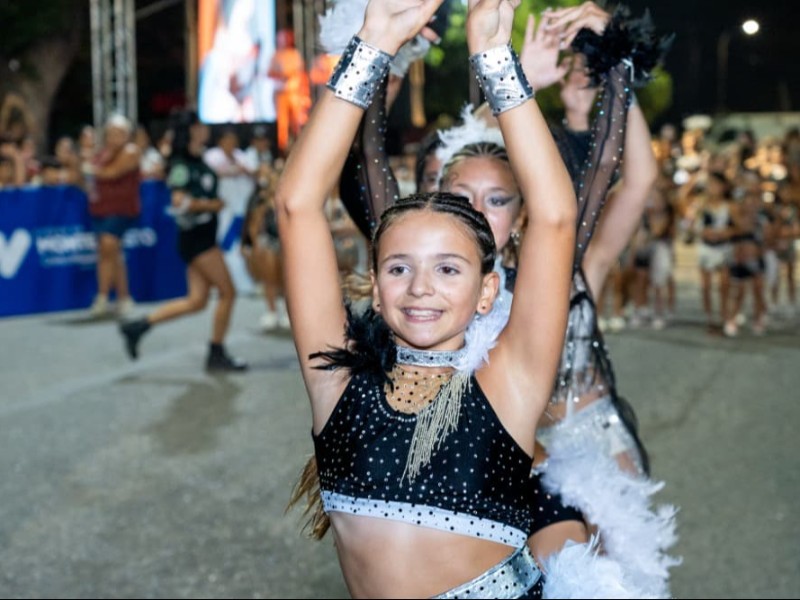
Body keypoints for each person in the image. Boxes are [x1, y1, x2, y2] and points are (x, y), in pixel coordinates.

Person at [280, 0, 579, 595]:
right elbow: (296, 204)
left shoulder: (510, 384)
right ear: (374, 283)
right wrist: (373, 41)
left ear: (487, 290)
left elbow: (554, 216)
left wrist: (493, 54)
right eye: (399, 268)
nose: (420, 288)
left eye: (447, 269)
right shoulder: (335, 382)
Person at [119, 111, 247, 373]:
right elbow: (178, 200)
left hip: (202, 236)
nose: (205, 129)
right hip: (197, 239)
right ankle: (216, 352)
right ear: (191, 130)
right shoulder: (180, 163)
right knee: (228, 292)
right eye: (199, 125)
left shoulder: (198, 158)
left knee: (197, 300)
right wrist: (211, 205)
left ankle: (139, 326)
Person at [86, 114, 141, 319]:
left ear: (126, 135)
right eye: (110, 133)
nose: (114, 137)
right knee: (111, 253)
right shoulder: (101, 154)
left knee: (108, 245)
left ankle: (102, 297)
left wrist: (89, 169)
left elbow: (112, 173)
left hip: (121, 210)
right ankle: (123, 298)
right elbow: (90, 177)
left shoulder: (131, 151)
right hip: (101, 209)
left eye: (118, 133)